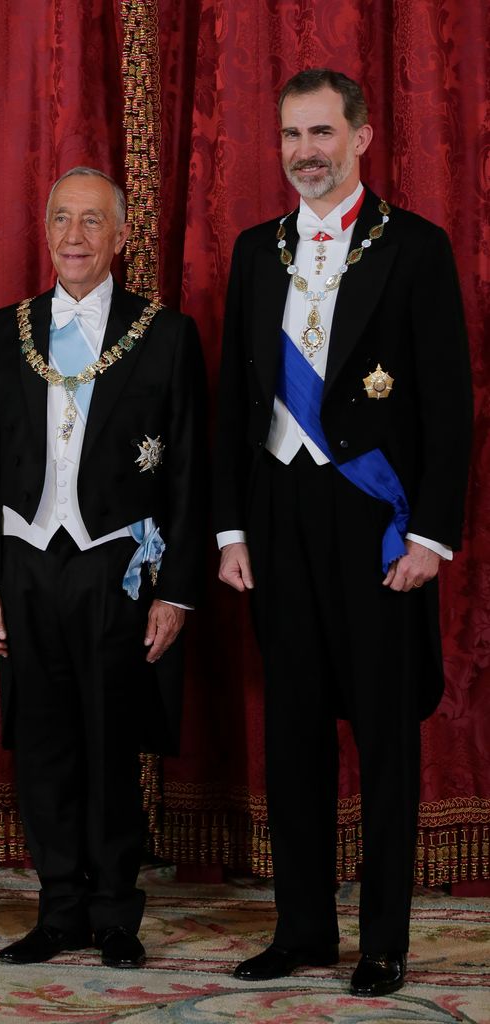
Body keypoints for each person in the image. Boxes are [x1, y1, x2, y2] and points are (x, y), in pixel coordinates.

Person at [214, 69, 472, 997]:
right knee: (292, 735)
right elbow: (235, 404)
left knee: (385, 738)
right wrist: (232, 529)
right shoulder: (255, 250)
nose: (305, 152)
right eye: (290, 134)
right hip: (278, 517)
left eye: (322, 133)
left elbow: (449, 409)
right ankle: (303, 929)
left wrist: (431, 539)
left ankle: (384, 941)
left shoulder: (416, 250)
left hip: (376, 522)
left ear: (362, 137)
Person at [0, 166, 205, 968]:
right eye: (62, 219)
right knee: (42, 743)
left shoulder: (165, 334)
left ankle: (115, 914)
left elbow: (188, 475)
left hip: (116, 567)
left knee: (109, 740)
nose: (74, 236)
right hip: (26, 563)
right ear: (45, 232)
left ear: (122, 237)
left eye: (93, 221)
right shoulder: (10, 327)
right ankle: (58, 906)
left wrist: (176, 591)